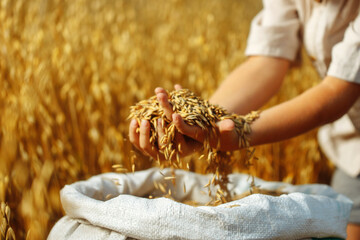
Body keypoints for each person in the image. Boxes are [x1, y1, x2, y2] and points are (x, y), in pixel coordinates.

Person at [129, 0, 360, 238]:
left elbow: (339, 90)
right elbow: (268, 61)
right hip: (353, 149)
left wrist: (242, 132)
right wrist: (204, 121)